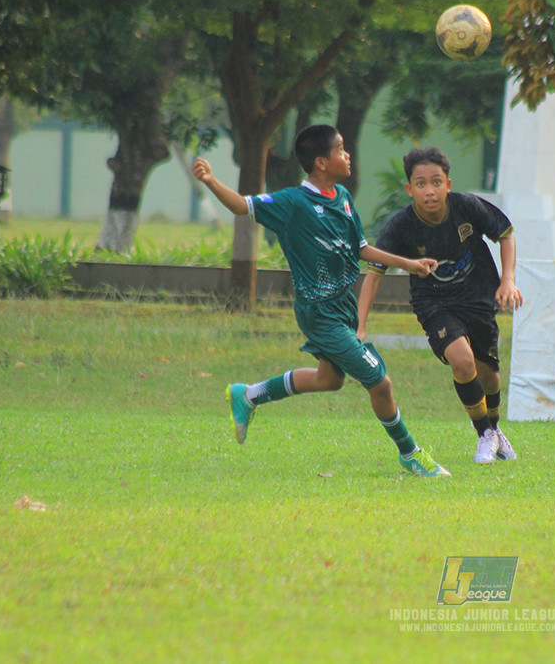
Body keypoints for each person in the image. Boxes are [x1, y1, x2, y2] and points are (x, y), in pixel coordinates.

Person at [192, 125, 450, 478]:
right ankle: (410, 453)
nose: (347, 155)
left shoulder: (342, 195)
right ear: (321, 162)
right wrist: (210, 181)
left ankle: (247, 395)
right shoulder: (293, 203)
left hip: (341, 306)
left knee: (330, 380)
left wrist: (408, 264)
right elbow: (242, 205)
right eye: (341, 149)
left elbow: (360, 248)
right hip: (320, 313)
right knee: (380, 381)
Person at [356, 146, 523, 465]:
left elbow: (505, 233)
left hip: (478, 296)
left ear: (448, 184)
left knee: (489, 377)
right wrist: (360, 327)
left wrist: (508, 281)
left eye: (436, 182)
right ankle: (484, 434)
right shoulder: (401, 225)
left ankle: (495, 429)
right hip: (434, 303)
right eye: (421, 184)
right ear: (409, 189)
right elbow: (374, 275)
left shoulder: (467, 206)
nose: (429, 190)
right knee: (462, 362)